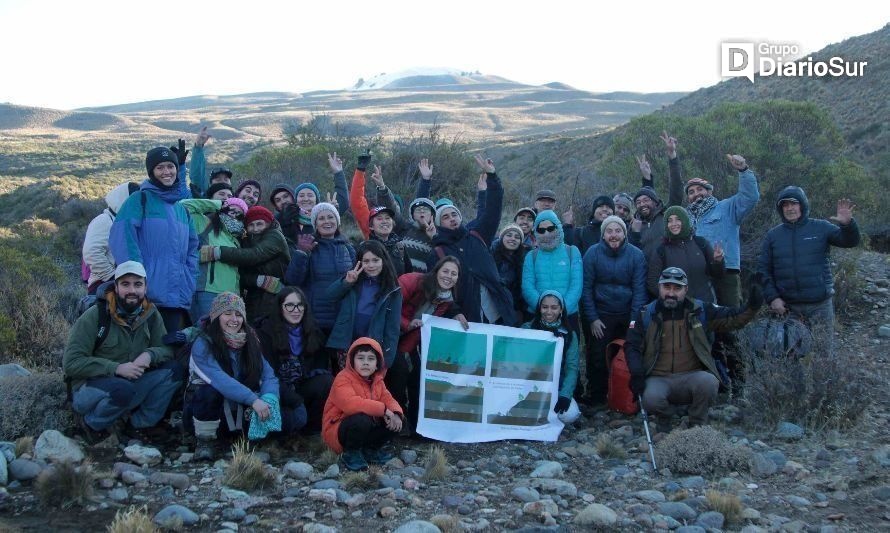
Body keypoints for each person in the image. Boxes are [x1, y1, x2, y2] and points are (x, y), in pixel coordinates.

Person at [626, 267, 763, 431]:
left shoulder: (701, 310)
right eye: (667, 287)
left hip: (691, 375)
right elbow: (631, 346)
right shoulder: (645, 314)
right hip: (658, 378)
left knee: (709, 382)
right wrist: (636, 372)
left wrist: (752, 305)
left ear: (686, 290)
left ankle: (697, 423)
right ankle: (667, 417)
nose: (671, 293)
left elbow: (733, 318)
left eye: (677, 288)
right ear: (659, 287)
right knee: (650, 398)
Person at [63, 261, 179, 442]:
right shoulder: (95, 315)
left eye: (138, 284)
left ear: (145, 287)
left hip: (129, 384)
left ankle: (139, 426)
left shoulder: (151, 313)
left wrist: (150, 354)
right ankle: (92, 425)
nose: (132, 290)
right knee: (122, 390)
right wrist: (115, 368)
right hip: (89, 389)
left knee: (174, 371)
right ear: (116, 287)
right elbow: (71, 363)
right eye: (125, 284)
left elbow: (166, 349)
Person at [184, 292, 305, 459]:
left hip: (239, 411)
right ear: (216, 316)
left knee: (294, 418)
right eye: (227, 313)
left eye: (239, 314)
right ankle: (205, 442)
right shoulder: (203, 343)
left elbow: (268, 375)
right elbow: (220, 379)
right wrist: (254, 400)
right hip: (209, 412)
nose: (234, 319)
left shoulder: (250, 342)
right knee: (208, 392)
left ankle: (246, 438)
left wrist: (269, 399)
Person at [757, 188, 859, 352]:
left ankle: (824, 378)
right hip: (789, 309)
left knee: (823, 354)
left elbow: (850, 241)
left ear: (802, 205)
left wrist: (847, 225)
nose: (790, 208)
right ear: (781, 209)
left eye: (794, 203)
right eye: (785, 205)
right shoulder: (773, 235)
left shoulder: (821, 227)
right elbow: (763, 270)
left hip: (820, 305)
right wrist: (773, 298)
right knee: (791, 354)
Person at [110, 146, 198, 333]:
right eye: (160, 168)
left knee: (170, 356)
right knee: (144, 357)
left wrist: (189, 282)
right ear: (152, 172)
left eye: (170, 166)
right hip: (146, 300)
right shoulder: (139, 201)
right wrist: (136, 283)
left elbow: (192, 251)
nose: (167, 172)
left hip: (177, 301)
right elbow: (124, 242)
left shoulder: (182, 211)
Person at [427, 155, 518, 326]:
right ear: (439, 224)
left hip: (500, 314)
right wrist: (454, 312)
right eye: (445, 217)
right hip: (467, 321)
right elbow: (436, 290)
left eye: (454, 214)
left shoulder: (478, 235)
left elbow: (493, 209)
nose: (452, 218)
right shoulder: (438, 253)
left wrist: (492, 177)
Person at [580, 215, 647, 405]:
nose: (614, 235)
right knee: (598, 356)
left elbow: (640, 291)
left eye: (618, 231)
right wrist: (592, 318)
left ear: (624, 234)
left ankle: (627, 395)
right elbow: (586, 289)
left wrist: (633, 323)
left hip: (627, 314)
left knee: (628, 355)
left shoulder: (636, 255)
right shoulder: (592, 253)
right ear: (603, 234)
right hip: (601, 314)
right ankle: (597, 396)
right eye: (609, 231)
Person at [397, 256, 469, 432]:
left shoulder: (447, 300)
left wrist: (456, 315)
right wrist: (407, 324)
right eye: (445, 271)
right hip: (388, 336)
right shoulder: (412, 281)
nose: (448, 276)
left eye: (454, 274)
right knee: (397, 378)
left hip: (408, 341)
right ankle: (393, 425)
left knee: (416, 379)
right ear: (436, 271)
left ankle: (416, 428)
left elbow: (436, 319)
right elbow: (389, 307)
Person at [683, 154, 760, 306]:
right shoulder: (686, 218)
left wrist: (743, 170)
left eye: (700, 189)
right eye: (691, 192)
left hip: (726, 272)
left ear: (709, 192)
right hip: (699, 275)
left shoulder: (727, 207)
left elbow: (750, 197)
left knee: (730, 318)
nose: (696, 194)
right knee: (703, 317)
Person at [256, 287, 333, 434]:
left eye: (300, 305)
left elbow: (319, 366)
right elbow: (267, 376)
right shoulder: (265, 332)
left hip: (301, 385)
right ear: (280, 307)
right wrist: (293, 398)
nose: (296, 310)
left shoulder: (313, 331)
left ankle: (311, 432)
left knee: (326, 382)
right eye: (289, 305)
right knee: (285, 419)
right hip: (275, 389)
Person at [322, 337, 404, 471]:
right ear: (352, 361)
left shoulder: (378, 380)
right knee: (361, 418)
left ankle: (370, 450)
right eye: (361, 358)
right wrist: (383, 410)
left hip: (365, 429)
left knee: (398, 420)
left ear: (378, 364)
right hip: (338, 431)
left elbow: (388, 399)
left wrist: (396, 413)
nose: (366, 363)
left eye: (371, 359)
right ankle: (351, 453)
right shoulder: (343, 378)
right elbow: (350, 404)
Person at [326, 240, 403, 377]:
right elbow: (329, 296)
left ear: (383, 261)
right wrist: (346, 283)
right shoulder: (353, 279)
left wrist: (387, 360)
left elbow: (393, 328)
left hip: (371, 348)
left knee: (366, 387)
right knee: (346, 384)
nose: (371, 265)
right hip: (347, 344)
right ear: (360, 263)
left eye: (375, 260)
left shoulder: (393, 290)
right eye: (366, 261)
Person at [284, 202, 356, 335]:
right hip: (315, 321)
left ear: (337, 221)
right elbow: (293, 280)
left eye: (330, 217)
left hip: (343, 320)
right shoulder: (309, 246)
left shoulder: (349, 248)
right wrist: (301, 253)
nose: (326, 221)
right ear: (315, 224)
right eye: (321, 218)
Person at [211, 205, 291, 322]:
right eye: (251, 225)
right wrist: (258, 280)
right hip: (254, 299)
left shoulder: (274, 236)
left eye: (259, 224)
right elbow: (240, 275)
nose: (255, 228)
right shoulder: (246, 241)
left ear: (268, 224)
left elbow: (254, 255)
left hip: (276, 295)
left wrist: (218, 252)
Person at [183, 197, 248, 322]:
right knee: (204, 333)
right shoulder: (205, 224)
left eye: (240, 215)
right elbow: (184, 207)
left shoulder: (237, 239)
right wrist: (218, 203)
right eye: (231, 210)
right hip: (206, 293)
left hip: (230, 297)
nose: (235, 216)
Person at [522, 291, 581, 424]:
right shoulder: (526, 329)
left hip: (556, 387)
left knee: (570, 414)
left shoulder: (570, 335)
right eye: (545, 307)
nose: (549, 311)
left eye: (554, 307)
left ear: (561, 310)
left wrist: (565, 395)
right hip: (528, 386)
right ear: (539, 308)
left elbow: (572, 368)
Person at [646, 206, 725, 302]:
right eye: (670, 221)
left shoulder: (701, 243)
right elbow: (652, 281)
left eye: (678, 219)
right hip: (677, 309)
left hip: (705, 304)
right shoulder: (661, 250)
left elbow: (718, 274)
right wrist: (670, 298)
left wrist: (718, 262)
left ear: (685, 221)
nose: (673, 224)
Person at [521, 211, 583, 328]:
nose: (546, 233)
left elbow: (577, 285)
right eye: (541, 230)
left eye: (550, 228)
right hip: (537, 315)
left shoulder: (572, 252)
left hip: (567, 315)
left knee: (569, 346)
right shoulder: (531, 256)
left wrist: (561, 310)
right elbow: (527, 287)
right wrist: (544, 310)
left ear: (558, 227)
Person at [350, 164, 413, 276]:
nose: (384, 221)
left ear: (393, 223)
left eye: (387, 218)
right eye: (379, 218)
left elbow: (408, 276)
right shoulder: (364, 247)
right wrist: (360, 170)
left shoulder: (400, 247)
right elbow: (357, 201)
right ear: (371, 226)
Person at [630, 131, 684, 259]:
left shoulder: (667, 215)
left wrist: (672, 157)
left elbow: (676, 188)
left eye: (646, 200)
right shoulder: (634, 225)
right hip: (645, 276)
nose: (642, 204)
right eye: (638, 202)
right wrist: (647, 178)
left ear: (655, 201)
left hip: (669, 273)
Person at [82, 182, 139, 294]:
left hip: (124, 284)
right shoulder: (105, 220)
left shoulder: (126, 224)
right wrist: (112, 277)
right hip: (104, 285)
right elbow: (92, 252)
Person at [493, 224, 530, 321]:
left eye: (517, 237)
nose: (513, 239)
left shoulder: (524, 261)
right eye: (509, 235)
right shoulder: (491, 255)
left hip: (513, 311)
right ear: (502, 238)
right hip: (492, 309)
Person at [188, 127, 233, 198]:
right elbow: (196, 175)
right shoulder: (203, 200)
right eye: (218, 179)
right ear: (210, 184)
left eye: (226, 179)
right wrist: (198, 147)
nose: (223, 182)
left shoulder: (236, 203)